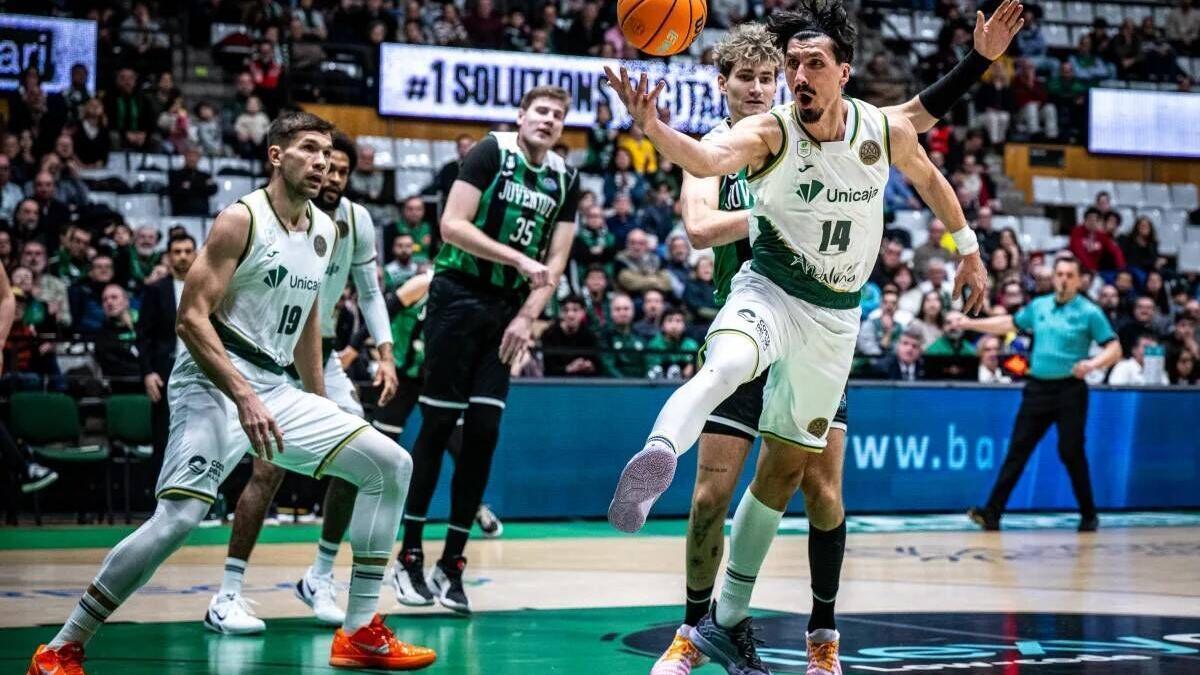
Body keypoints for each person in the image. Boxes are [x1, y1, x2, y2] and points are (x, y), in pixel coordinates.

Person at [607, 2, 1019, 674]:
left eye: (797, 67)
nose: (781, 78)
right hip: (764, 292)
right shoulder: (760, 135)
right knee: (724, 382)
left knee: (803, 480)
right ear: (724, 84)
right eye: (773, 68)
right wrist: (656, 129)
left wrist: (968, 247)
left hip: (831, 321)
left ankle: (764, 628)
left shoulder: (876, 129)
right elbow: (706, 175)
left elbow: (926, 160)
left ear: (841, 73)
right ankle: (659, 460)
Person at [27, 112, 436, 674]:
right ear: (276, 155)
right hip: (212, 378)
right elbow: (190, 319)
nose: (321, 162)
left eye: (328, 153)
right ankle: (62, 646)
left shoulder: (325, 230)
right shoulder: (239, 220)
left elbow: (308, 322)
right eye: (309, 150)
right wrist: (243, 394)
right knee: (179, 518)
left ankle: (360, 632)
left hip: (276, 383)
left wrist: (316, 398)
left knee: (389, 463)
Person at [202, 132, 400, 635]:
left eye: (340, 169)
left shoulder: (354, 222)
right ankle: (228, 591)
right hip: (265, 355)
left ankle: (320, 575)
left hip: (323, 355)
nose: (331, 176)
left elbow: (371, 293)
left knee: (365, 457)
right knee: (266, 473)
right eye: (324, 166)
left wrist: (385, 353)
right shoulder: (268, 215)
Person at [391, 86, 579, 616]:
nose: (548, 120)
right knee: (436, 428)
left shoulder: (566, 176)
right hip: (457, 295)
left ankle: (451, 565)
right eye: (540, 111)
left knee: (484, 435)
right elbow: (452, 225)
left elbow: (556, 261)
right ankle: (407, 554)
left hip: (508, 312)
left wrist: (526, 316)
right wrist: (519, 260)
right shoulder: (492, 151)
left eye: (558, 115)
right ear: (521, 116)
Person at [954, 256, 1122, 533]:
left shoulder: (1090, 312)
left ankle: (1089, 514)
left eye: (1070, 274)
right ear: (1053, 277)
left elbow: (1114, 348)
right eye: (1059, 274)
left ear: (1079, 280)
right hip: (1038, 389)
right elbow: (1010, 323)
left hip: (1070, 389)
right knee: (1017, 450)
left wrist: (1092, 364)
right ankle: (992, 513)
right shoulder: (1039, 306)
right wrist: (971, 324)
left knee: (1071, 452)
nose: (1064, 279)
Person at [137, 234, 197, 459]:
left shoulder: (207, 287)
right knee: (164, 436)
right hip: (165, 371)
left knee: (202, 435)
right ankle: (160, 492)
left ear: (196, 254)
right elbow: (143, 335)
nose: (182, 256)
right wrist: (147, 372)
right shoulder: (156, 290)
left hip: (201, 369)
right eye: (177, 251)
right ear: (168, 256)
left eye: (187, 251)